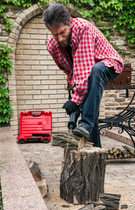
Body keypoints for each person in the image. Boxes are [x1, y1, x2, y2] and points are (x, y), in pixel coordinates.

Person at [43, 3, 124, 147]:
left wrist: (75, 101)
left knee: (95, 71)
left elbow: (85, 69)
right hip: (88, 72)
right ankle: (94, 150)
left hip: (108, 64)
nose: (60, 38)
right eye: (55, 34)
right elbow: (71, 71)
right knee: (90, 108)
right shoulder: (52, 46)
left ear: (71, 22)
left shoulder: (83, 28)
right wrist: (77, 100)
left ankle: (85, 124)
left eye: (62, 32)